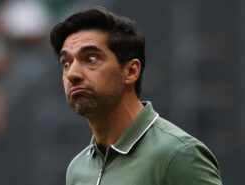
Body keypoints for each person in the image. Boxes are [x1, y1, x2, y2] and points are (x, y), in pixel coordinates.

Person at [50, 6, 223, 185]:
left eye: (91, 59)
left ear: (131, 71)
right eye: (66, 63)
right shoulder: (77, 169)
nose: (72, 74)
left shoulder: (178, 155)